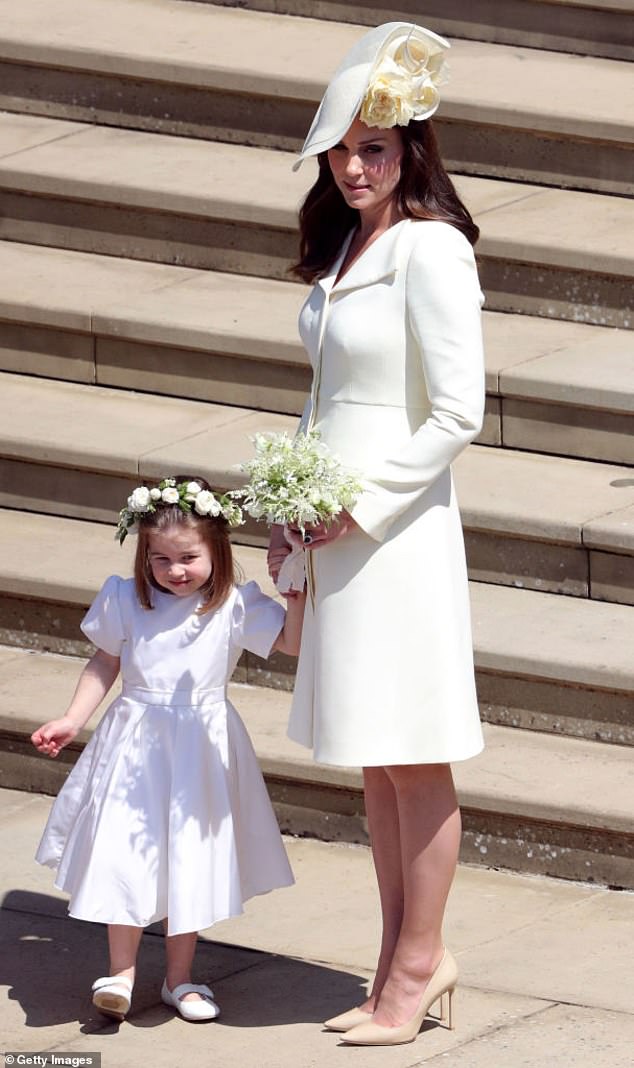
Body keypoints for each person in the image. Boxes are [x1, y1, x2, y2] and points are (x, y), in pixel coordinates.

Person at [268, 22, 485, 1047]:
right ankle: (399, 955)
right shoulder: (351, 244)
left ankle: (417, 966)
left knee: (416, 753)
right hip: (336, 534)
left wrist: (357, 504)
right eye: (343, 149)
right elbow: (328, 398)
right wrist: (294, 516)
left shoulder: (429, 250)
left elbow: (456, 414)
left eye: (376, 149)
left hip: (395, 537)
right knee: (375, 760)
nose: (354, 167)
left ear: (412, 153)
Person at [33, 476, 304, 1023]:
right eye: (161, 559)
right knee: (124, 852)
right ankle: (121, 973)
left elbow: (292, 643)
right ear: (143, 555)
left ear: (217, 550)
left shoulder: (232, 604)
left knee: (189, 856)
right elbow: (106, 661)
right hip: (134, 741)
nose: (175, 570)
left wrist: (296, 586)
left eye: (188, 557)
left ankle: (180, 979)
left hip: (201, 748)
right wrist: (72, 718)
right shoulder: (125, 600)